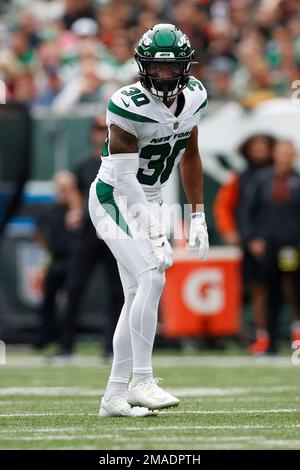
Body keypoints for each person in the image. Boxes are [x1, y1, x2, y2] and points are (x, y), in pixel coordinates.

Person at [89, 24, 209, 417]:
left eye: (171, 67)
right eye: (155, 68)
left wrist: (198, 215)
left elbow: (190, 155)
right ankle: (142, 380)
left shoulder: (194, 98)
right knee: (153, 275)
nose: (163, 75)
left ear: (185, 68)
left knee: (136, 294)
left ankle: (113, 396)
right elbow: (124, 180)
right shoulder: (126, 104)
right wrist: (155, 231)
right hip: (115, 197)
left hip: (152, 198)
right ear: (142, 67)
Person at [53, 118, 124, 360]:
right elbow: (76, 190)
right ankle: (66, 346)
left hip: (114, 231)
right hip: (88, 232)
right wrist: (75, 209)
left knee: (118, 291)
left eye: (105, 129)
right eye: (98, 130)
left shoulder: (119, 161)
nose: (100, 134)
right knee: (74, 287)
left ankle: (112, 347)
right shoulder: (85, 163)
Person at [213, 134, 276, 355]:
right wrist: (229, 230)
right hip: (253, 243)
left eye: (264, 146)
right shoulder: (241, 178)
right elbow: (224, 206)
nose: (259, 150)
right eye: (255, 146)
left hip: (283, 241)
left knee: (290, 289)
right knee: (258, 289)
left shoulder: (284, 175)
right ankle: (262, 335)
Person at [246, 139, 300, 354]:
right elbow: (249, 211)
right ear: (275, 155)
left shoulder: (297, 180)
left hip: (291, 244)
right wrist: (253, 238)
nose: (285, 157)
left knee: (293, 288)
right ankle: (267, 337)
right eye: (281, 153)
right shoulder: (262, 180)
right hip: (267, 244)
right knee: (266, 289)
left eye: (289, 153)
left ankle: (295, 332)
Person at [34, 171, 81, 349]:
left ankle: (67, 340)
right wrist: (48, 246)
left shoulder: (77, 211)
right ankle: (44, 337)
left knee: (72, 301)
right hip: (55, 258)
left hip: (73, 260)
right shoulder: (50, 211)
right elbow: (38, 232)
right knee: (47, 300)